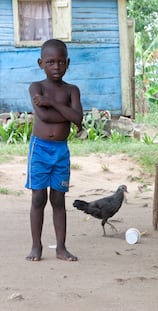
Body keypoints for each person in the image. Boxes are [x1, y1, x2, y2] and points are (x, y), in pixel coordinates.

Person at [25, 39, 83, 262]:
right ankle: (36, 246)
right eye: (50, 62)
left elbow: (78, 118)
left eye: (60, 62)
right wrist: (67, 112)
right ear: (41, 63)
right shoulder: (36, 87)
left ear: (67, 63)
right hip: (39, 150)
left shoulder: (72, 90)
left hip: (61, 151)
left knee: (58, 199)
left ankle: (61, 248)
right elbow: (45, 117)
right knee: (38, 198)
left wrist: (52, 102)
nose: (56, 67)